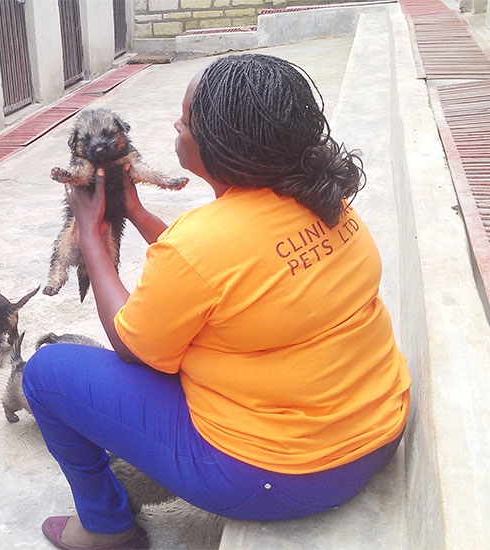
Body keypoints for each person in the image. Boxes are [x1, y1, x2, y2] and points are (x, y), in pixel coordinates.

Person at [22, 54, 411, 550]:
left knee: (46, 372)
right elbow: (211, 273)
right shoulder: (330, 204)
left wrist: (92, 235)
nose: (175, 127)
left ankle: (104, 528)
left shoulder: (201, 242)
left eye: (184, 122)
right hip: (378, 434)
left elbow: (131, 342)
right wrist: (136, 210)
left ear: (214, 147)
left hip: (280, 478)